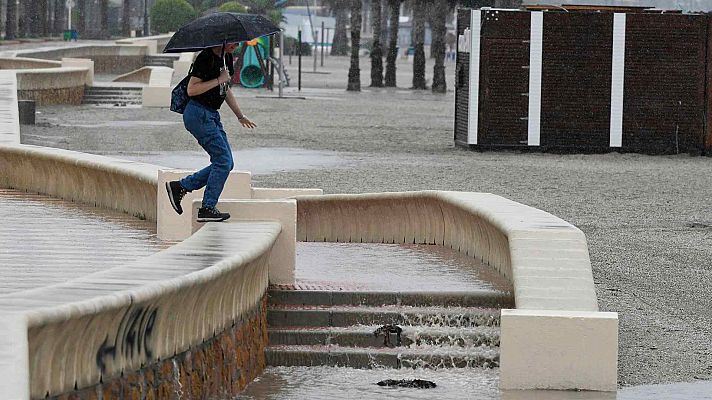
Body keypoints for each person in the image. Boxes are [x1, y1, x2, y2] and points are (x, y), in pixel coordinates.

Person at [166, 42, 257, 222]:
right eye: (233, 42)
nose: (236, 45)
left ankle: (181, 187)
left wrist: (240, 115)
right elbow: (192, 89)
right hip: (197, 113)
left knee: (226, 163)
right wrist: (218, 79)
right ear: (222, 41)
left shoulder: (227, 58)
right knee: (222, 161)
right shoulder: (206, 58)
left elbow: (225, 89)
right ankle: (207, 207)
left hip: (211, 114)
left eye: (238, 42)